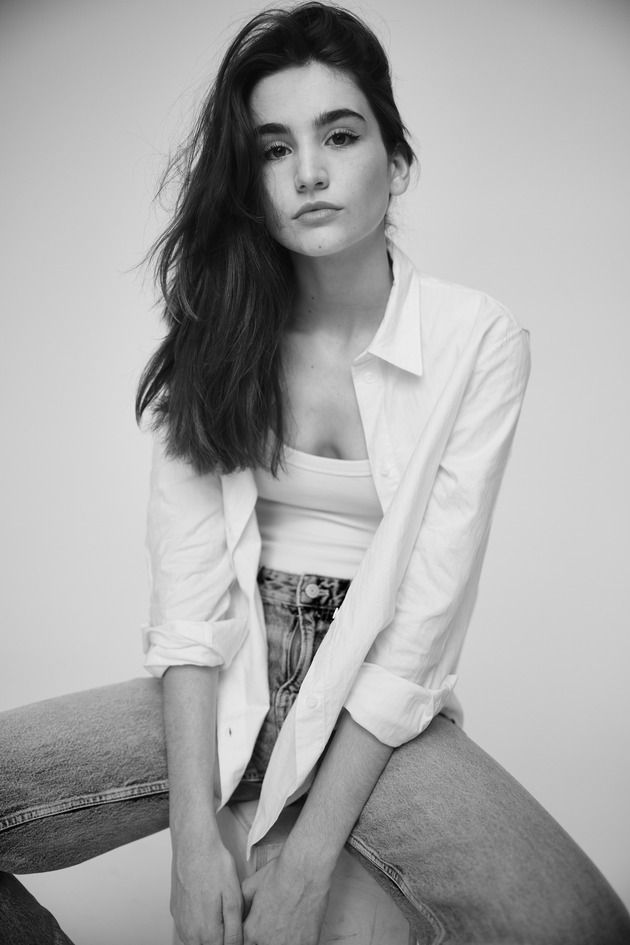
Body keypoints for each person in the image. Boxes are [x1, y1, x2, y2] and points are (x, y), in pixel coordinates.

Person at [1, 3, 629, 944]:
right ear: (250, 182)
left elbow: (423, 621)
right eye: (274, 148)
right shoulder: (216, 335)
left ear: (396, 159)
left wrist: (304, 863)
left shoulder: (477, 339)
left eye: (340, 134)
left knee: (577, 922)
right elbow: (189, 604)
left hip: (376, 703)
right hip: (226, 680)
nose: (309, 172)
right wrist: (191, 842)